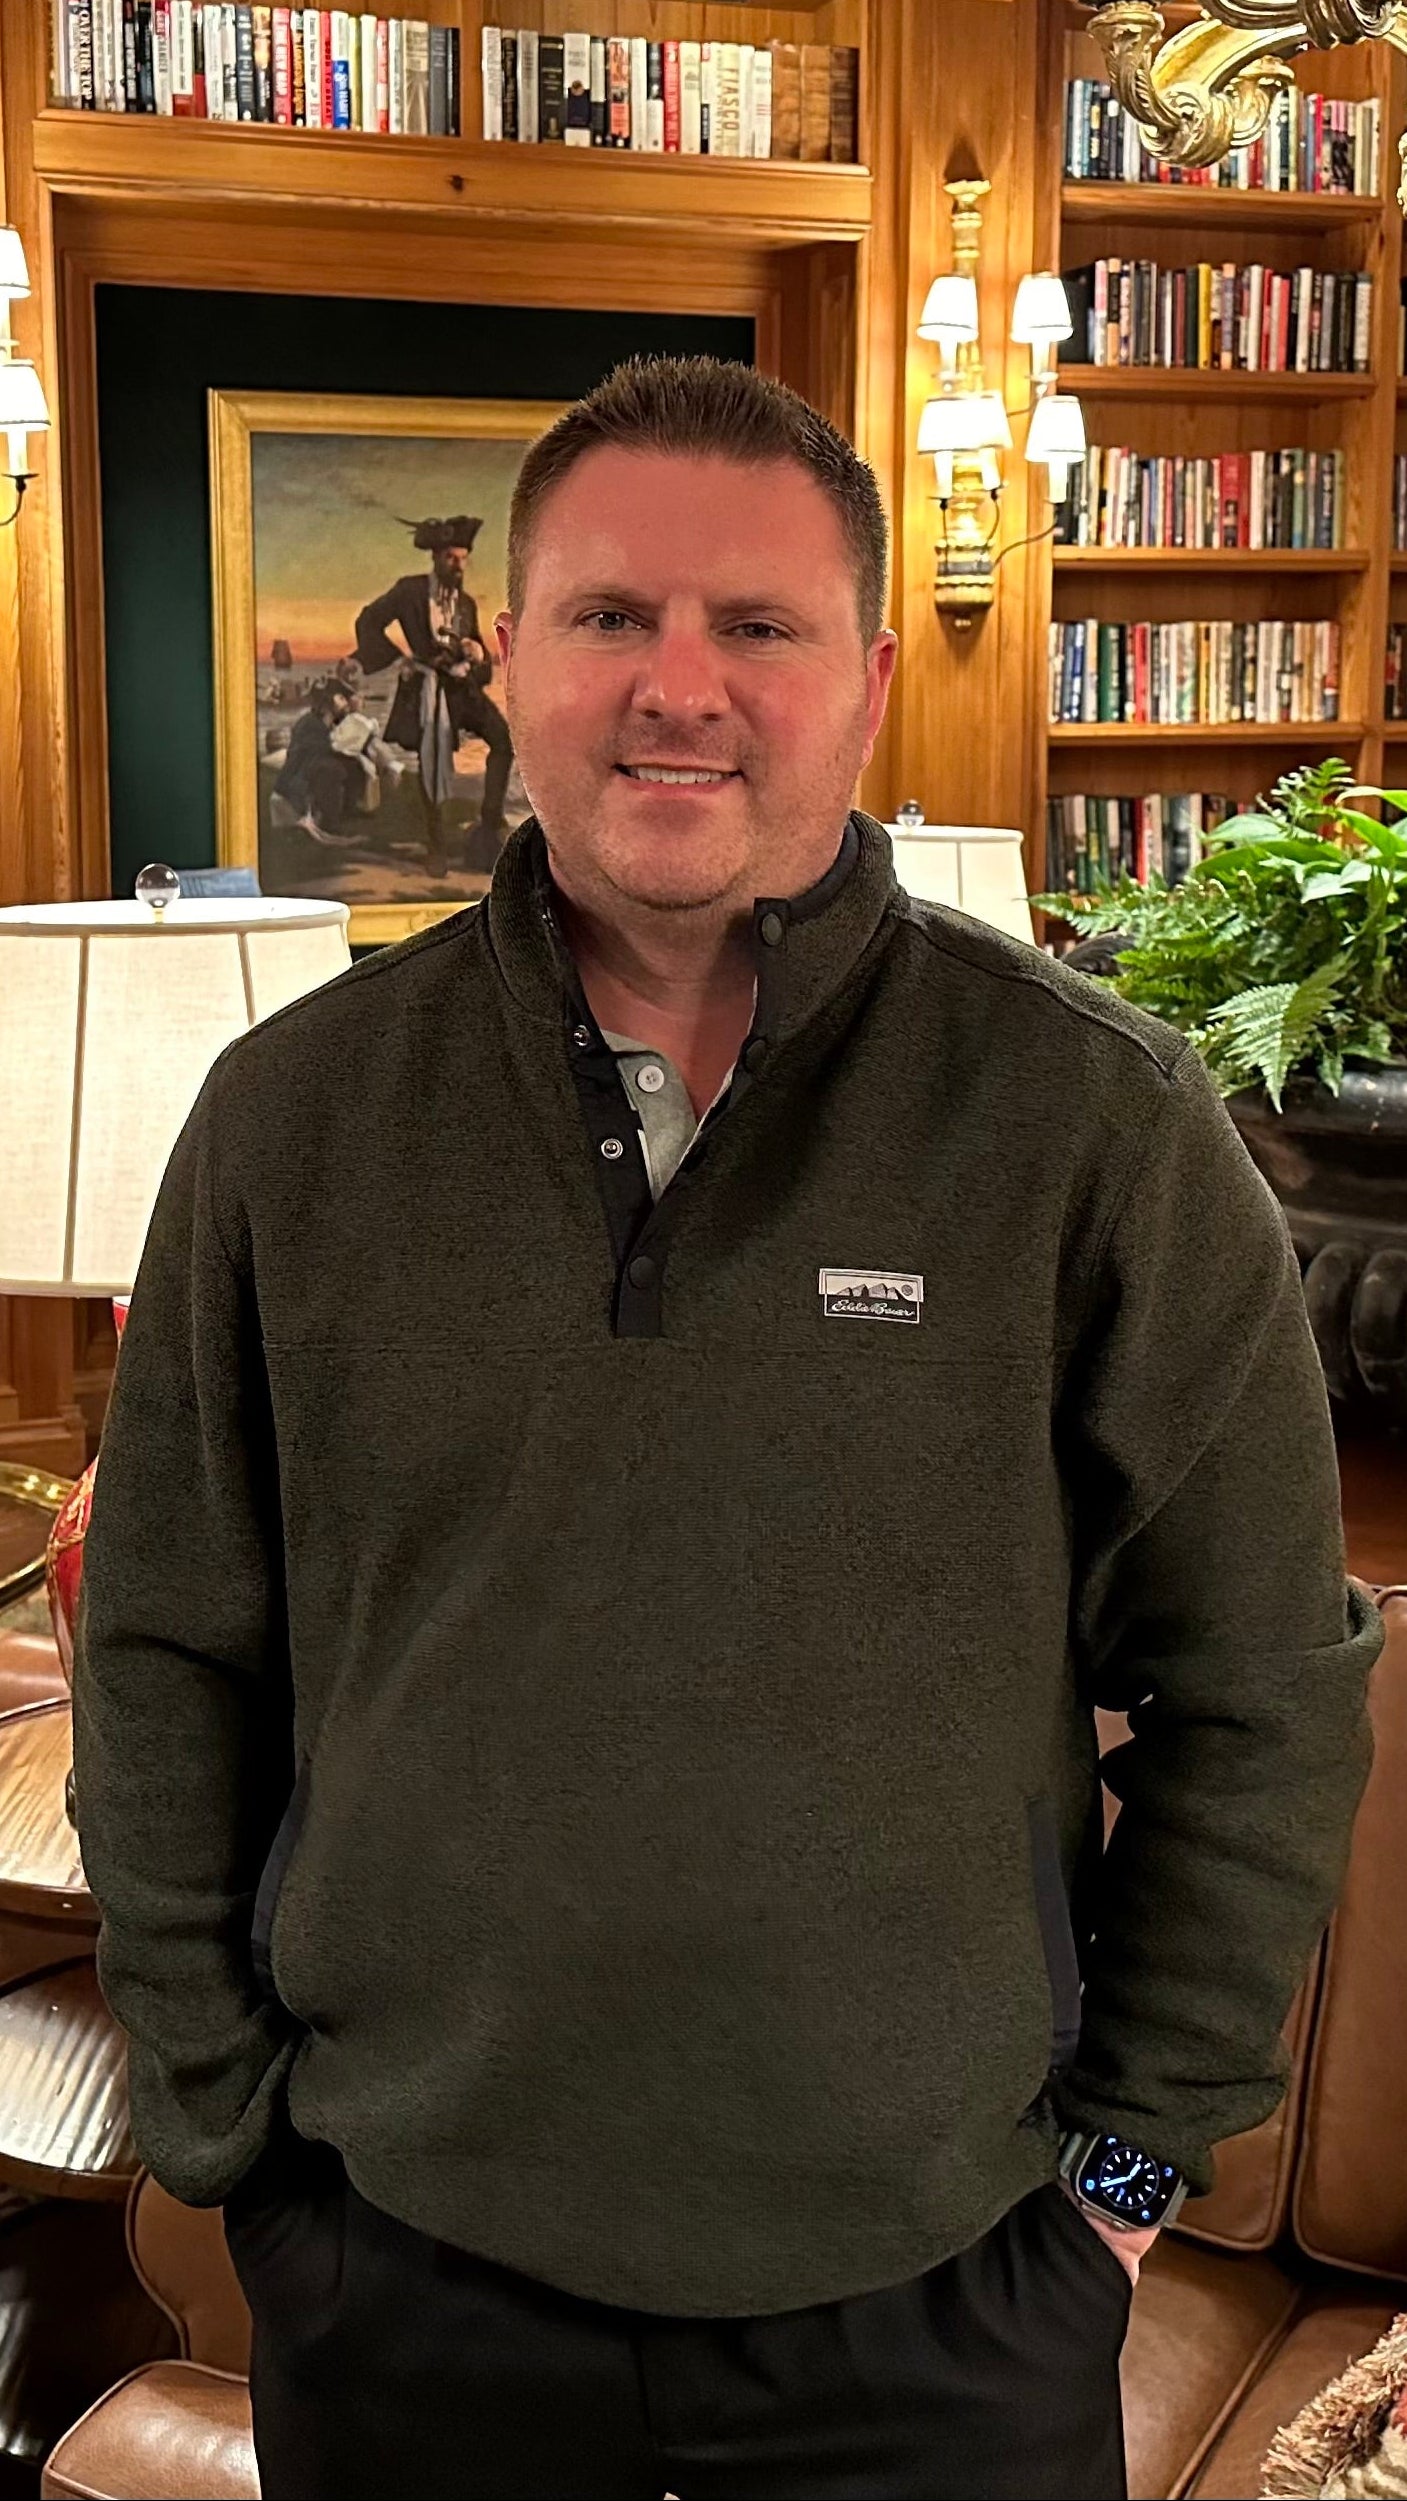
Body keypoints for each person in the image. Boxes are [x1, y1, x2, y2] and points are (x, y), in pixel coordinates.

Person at [73, 356, 1381, 2501]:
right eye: (609, 618)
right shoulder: (288, 1126)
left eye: (754, 627)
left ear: (866, 680)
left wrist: (1125, 2172)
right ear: (506, 661)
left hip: (939, 2311)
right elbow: (164, 1652)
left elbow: (1261, 1688)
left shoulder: (1094, 1126)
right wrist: (230, 2138)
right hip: (403, 2290)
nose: (678, 687)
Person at [353, 513, 514, 878]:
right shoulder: (410, 591)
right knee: (432, 763)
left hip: (462, 689)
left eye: (462, 559)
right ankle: (436, 846)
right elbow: (368, 621)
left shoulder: (467, 603)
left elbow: (481, 659)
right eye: (450, 558)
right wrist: (400, 659)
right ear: (435, 558)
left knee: (503, 741)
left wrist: (476, 653)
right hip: (426, 689)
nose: (457, 566)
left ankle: (489, 827)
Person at [271, 677, 366, 844]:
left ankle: (346, 813)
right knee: (332, 770)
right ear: (329, 701)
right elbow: (317, 755)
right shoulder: (310, 725)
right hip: (296, 785)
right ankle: (329, 826)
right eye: (341, 699)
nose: (346, 704)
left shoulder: (326, 723)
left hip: (308, 776)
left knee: (353, 765)